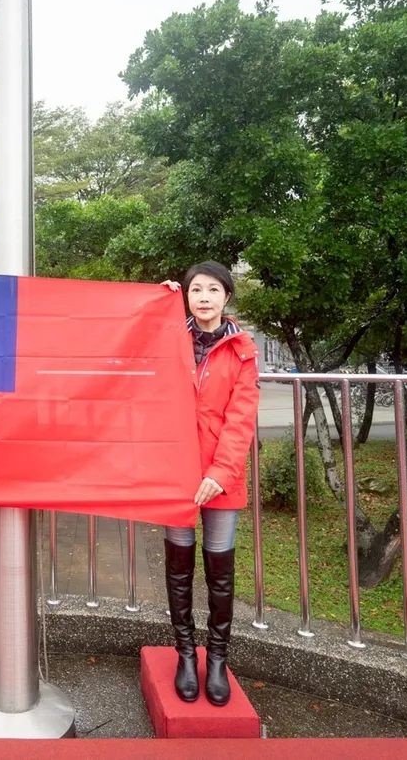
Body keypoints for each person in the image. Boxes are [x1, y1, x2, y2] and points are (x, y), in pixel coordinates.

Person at [162, 261, 260, 706]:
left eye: (213, 289)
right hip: (175, 474)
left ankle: (216, 658)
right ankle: (185, 653)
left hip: (222, 478)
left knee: (219, 571)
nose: (203, 297)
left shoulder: (242, 349)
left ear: (227, 297)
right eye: (194, 289)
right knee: (178, 566)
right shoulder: (168, 337)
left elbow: (241, 420)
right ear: (185, 296)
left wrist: (218, 475)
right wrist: (155, 302)